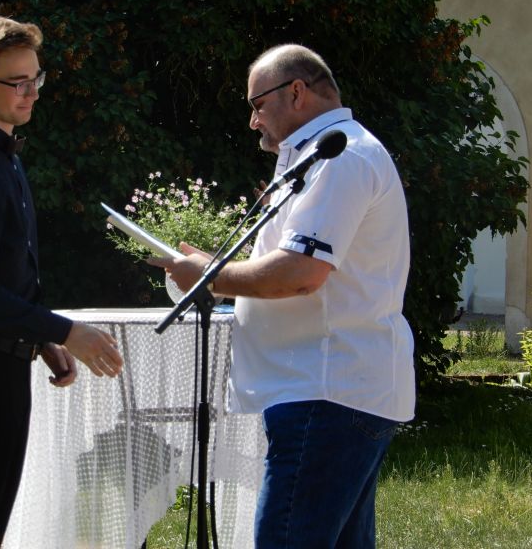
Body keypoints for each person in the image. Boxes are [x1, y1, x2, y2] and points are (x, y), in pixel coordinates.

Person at [147, 44, 415, 548]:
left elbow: (301, 274)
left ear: (296, 92)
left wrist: (211, 276)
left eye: (258, 104)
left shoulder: (342, 158)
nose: (253, 121)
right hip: (330, 388)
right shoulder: (323, 155)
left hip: (326, 391)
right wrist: (216, 272)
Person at [0, 14, 124, 549]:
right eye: (18, 82)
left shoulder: (3, 157)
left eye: (37, 78)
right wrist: (65, 332)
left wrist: (39, 341)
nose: (33, 92)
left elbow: (7, 275)